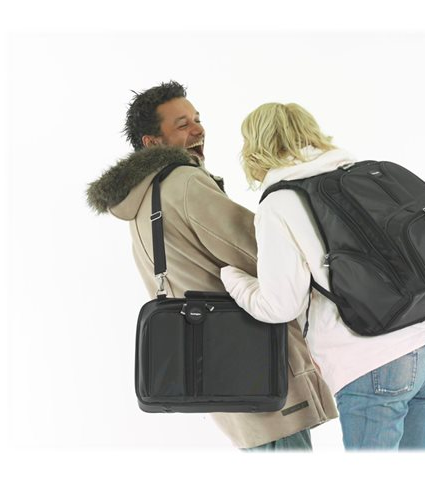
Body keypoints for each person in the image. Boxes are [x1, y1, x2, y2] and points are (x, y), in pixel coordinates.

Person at [86, 82, 337, 451]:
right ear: (152, 142)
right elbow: (261, 253)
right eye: (183, 124)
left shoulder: (142, 200)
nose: (198, 129)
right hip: (256, 364)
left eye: (197, 119)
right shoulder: (184, 182)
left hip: (217, 368)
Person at [220, 102, 425, 450]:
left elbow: (280, 305)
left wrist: (232, 279)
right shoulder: (366, 175)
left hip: (373, 358)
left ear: (256, 147)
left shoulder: (280, 202)